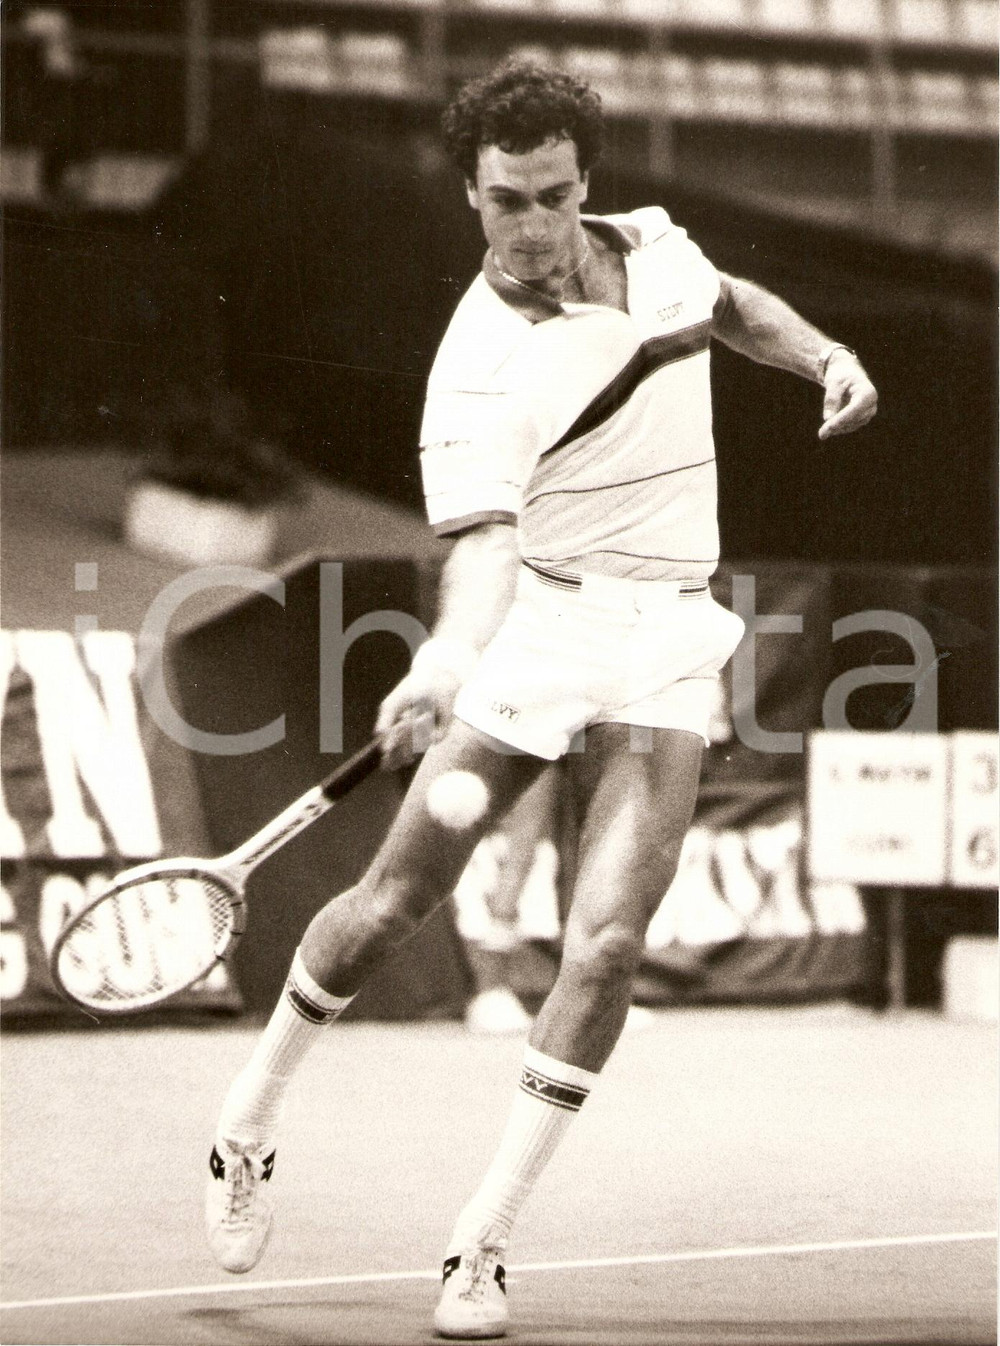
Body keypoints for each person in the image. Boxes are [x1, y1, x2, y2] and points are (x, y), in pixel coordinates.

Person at [204, 59, 877, 1339]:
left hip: (671, 637)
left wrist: (826, 356)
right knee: (393, 903)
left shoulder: (657, 248)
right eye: (503, 200)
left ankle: (480, 1243)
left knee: (608, 942)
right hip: (540, 630)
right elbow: (486, 550)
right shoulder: (474, 368)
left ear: (588, 185)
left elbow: (730, 303)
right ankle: (246, 1117)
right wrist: (448, 659)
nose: (530, 229)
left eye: (552, 197)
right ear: (468, 192)